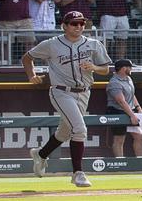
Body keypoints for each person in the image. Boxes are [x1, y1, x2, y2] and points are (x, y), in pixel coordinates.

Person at [24, 11, 114, 188]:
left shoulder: (93, 44)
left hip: (84, 92)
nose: (79, 26)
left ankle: (40, 154)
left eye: (81, 23)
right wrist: (31, 75)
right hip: (61, 92)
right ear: (64, 26)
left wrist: (94, 67)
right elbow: (27, 58)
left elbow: (106, 69)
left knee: (64, 133)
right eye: (74, 23)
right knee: (79, 129)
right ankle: (77, 173)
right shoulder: (52, 44)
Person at [105, 59, 142, 158]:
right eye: (130, 67)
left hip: (129, 110)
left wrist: (138, 108)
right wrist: (132, 115)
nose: (131, 69)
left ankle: (141, 162)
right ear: (124, 68)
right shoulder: (114, 82)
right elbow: (121, 101)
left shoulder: (128, 79)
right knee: (119, 139)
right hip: (116, 111)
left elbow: (132, 95)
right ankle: (121, 163)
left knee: (140, 136)